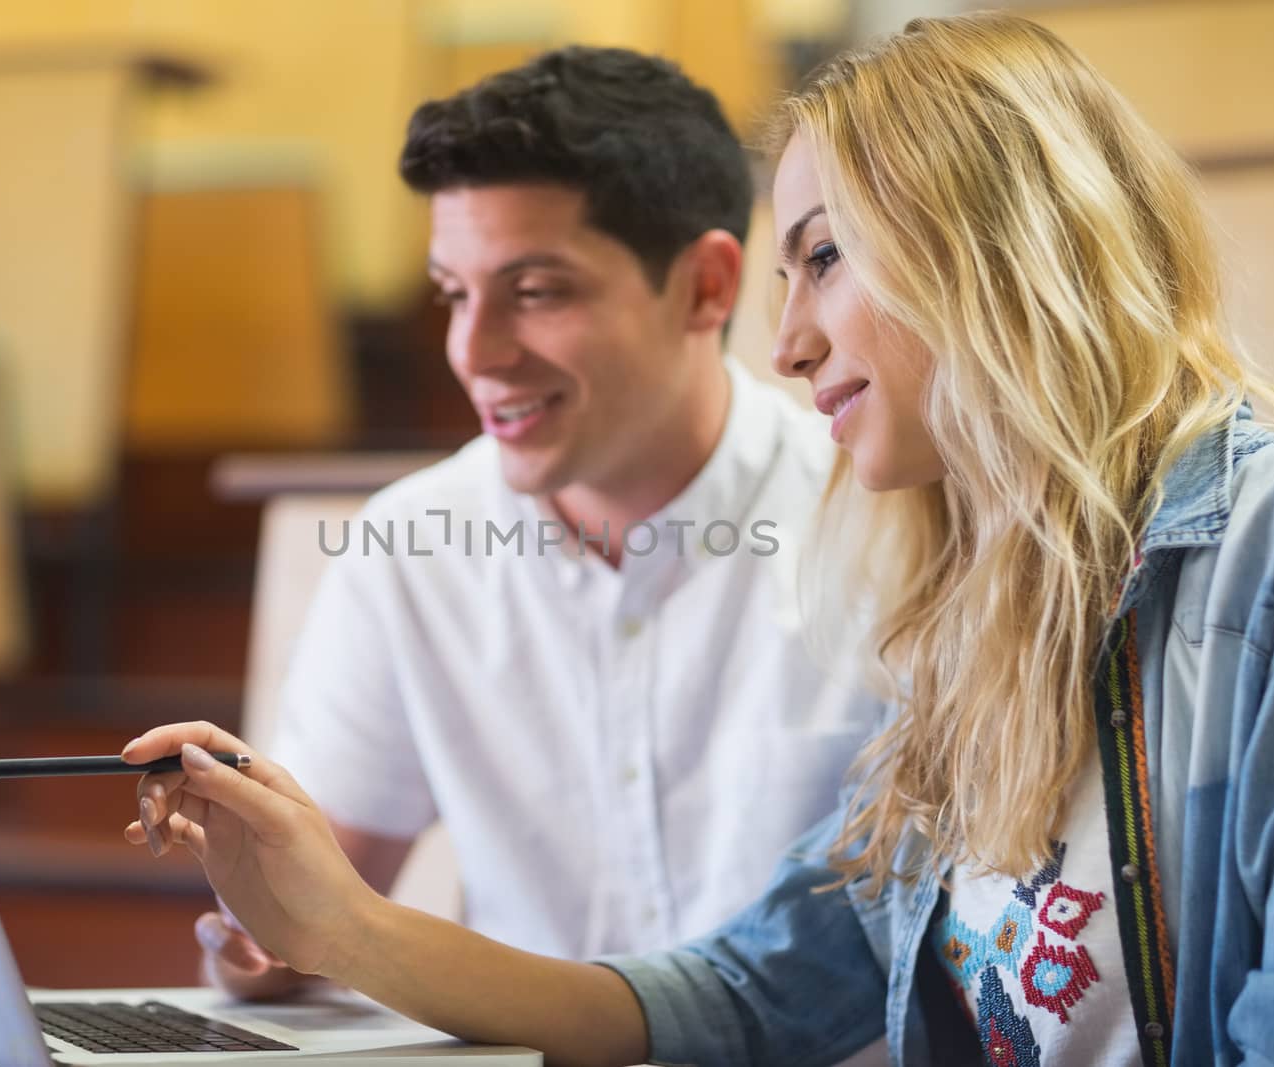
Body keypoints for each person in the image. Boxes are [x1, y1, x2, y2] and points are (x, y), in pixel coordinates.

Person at [126, 13, 1274, 1065]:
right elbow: (740, 994)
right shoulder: (976, 608)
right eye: (453, 294)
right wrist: (328, 920)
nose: (790, 341)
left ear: (995, 246)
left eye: (824, 256)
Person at [186, 45, 882, 1005]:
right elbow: (301, 929)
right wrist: (256, 930)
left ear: (706, 288)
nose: (473, 353)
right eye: (454, 294)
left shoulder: (885, 518)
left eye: (537, 291)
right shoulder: (409, 549)